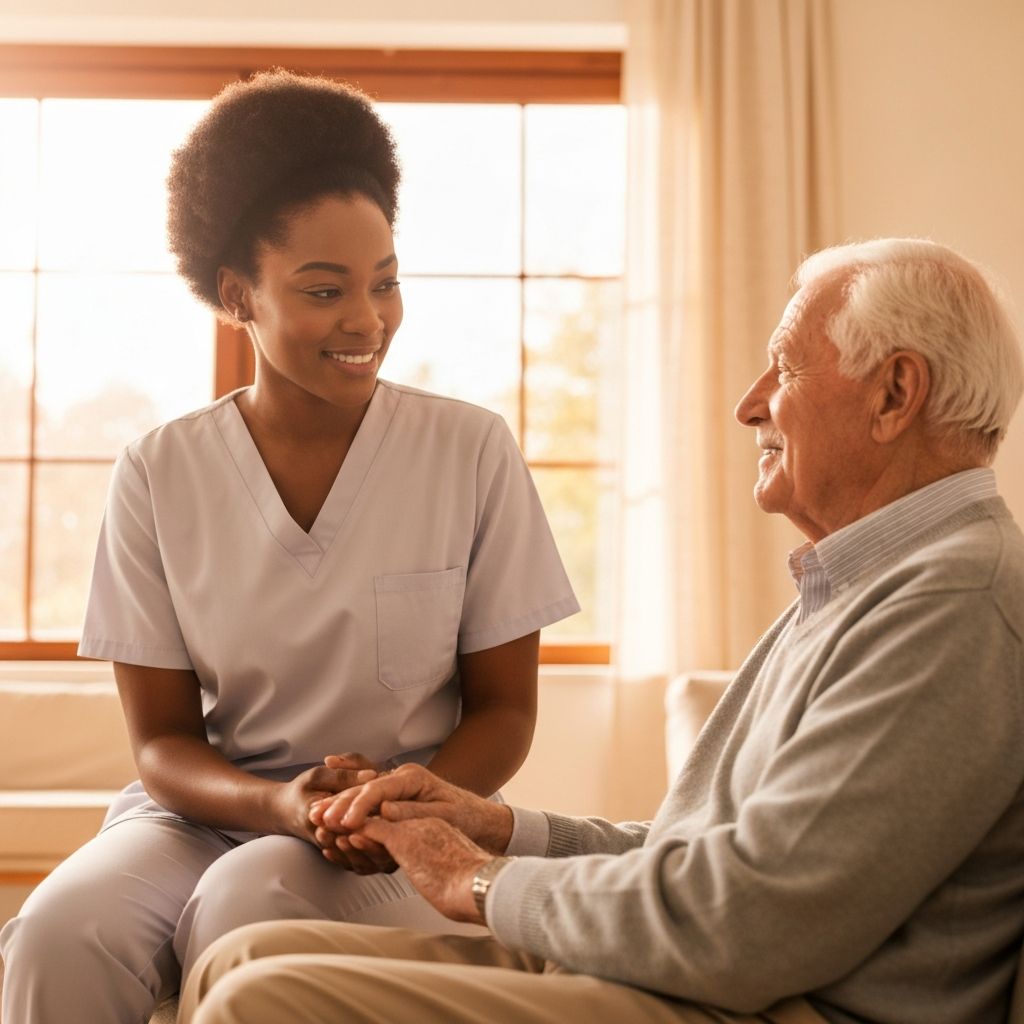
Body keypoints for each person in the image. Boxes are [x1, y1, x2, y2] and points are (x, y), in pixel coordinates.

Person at [180, 238, 1024, 1024]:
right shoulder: (865, 582)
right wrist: (494, 828)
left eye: (785, 368)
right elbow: (700, 858)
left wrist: (474, 879)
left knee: (261, 1001)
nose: (749, 404)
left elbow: (746, 923)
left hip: (756, 1004)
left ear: (894, 394)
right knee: (240, 957)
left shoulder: (952, 601)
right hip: (698, 982)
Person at [0, 70, 579, 1024]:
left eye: (385, 283)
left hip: (397, 825)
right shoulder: (159, 470)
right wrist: (279, 805)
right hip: (207, 814)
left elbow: (506, 711)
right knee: (61, 929)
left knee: (247, 904)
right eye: (324, 290)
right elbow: (162, 744)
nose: (367, 320)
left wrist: (393, 806)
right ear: (239, 295)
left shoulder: (469, 450)